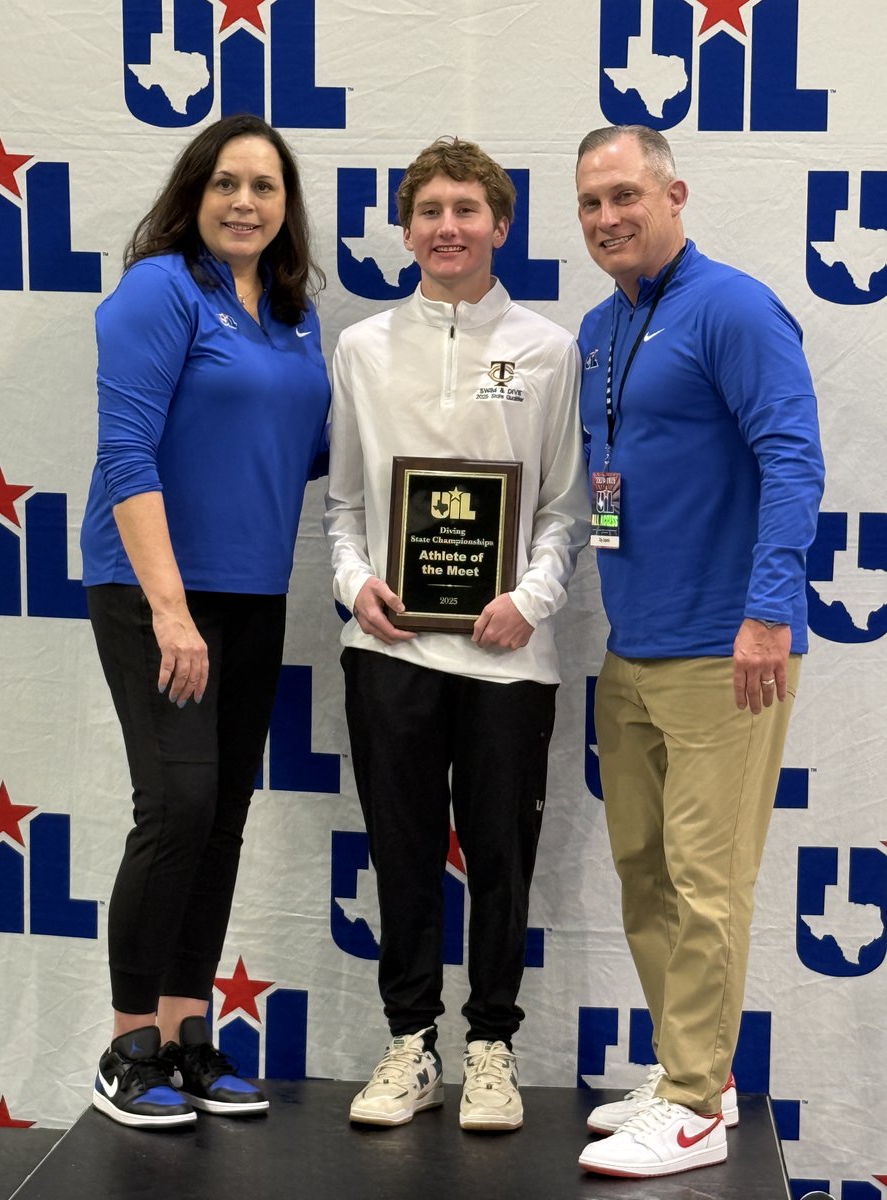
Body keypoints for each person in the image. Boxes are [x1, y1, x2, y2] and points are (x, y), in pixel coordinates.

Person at [573, 125, 825, 1178]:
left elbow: (792, 451)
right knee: (646, 874)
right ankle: (696, 1070)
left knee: (709, 880)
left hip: (725, 650)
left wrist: (769, 609)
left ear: (675, 193)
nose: (607, 218)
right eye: (589, 203)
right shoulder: (600, 325)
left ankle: (691, 1106)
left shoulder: (733, 307)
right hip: (632, 649)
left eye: (625, 195)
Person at [324, 137, 590, 1131]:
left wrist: (532, 597)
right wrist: (355, 587)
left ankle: (490, 1048)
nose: (447, 227)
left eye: (466, 210)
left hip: (510, 652)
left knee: (499, 852)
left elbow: (569, 510)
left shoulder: (550, 349)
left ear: (501, 226)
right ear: (406, 229)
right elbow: (343, 505)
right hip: (389, 647)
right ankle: (409, 1045)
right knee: (398, 848)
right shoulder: (360, 349)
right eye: (429, 209)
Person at [80, 114, 330, 1129]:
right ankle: (126, 1045)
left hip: (253, 594)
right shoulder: (157, 292)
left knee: (221, 810)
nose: (244, 202)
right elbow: (129, 453)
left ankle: (188, 1036)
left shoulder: (293, 312)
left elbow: (305, 452)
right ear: (194, 192)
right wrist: (170, 611)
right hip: (154, 593)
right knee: (176, 806)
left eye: (264, 187)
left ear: (285, 206)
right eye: (226, 182)